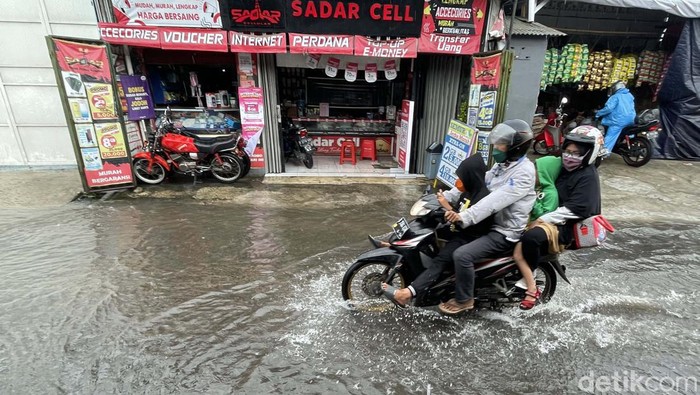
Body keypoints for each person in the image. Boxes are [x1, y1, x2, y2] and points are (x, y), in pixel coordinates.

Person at [438, 120, 537, 315]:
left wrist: (463, 216)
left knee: (462, 255)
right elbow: (477, 183)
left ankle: (465, 299)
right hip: (487, 224)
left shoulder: (524, 173)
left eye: (501, 144)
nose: (496, 148)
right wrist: (446, 196)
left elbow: (493, 201)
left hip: (503, 231)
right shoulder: (502, 165)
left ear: (515, 147)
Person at [381, 154, 494, 307]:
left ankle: (407, 294)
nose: (459, 181)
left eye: (462, 177)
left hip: (469, 238)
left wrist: (447, 207)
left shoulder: (483, 197)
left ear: (471, 176)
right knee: (427, 234)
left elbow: (468, 220)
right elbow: (458, 211)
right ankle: (400, 244)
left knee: (440, 260)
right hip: (458, 231)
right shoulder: (468, 192)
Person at [519, 126, 603, 287]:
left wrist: (543, 219)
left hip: (565, 228)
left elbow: (578, 208)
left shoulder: (587, 177)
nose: (570, 156)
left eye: (576, 153)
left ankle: (530, 278)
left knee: (531, 237)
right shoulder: (564, 168)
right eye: (567, 151)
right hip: (550, 215)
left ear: (591, 153)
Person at [512, 155, 561, 310]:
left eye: (537, 172)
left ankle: (531, 286)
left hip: (535, 230)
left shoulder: (551, 193)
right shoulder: (535, 188)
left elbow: (546, 216)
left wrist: (533, 201)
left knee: (517, 255)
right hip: (524, 225)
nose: (533, 175)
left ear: (546, 173)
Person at [596, 81, 636, 155]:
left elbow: (608, 108)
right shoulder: (629, 95)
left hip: (618, 120)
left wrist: (598, 113)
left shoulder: (615, 96)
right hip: (631, 119)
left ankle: (603, 153)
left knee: (611, 135)